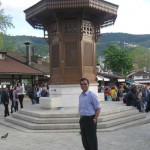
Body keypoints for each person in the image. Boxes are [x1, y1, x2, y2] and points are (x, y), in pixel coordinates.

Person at [79, 78, 101, 150]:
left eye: (85, 84)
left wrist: (95, 119)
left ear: (88, 85)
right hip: (83, 119)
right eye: (81, 84)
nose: (83, 85)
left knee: (91, 140)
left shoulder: (92, 95)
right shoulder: (80, 96)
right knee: (84, 140)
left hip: (90, 119)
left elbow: (98, 108)